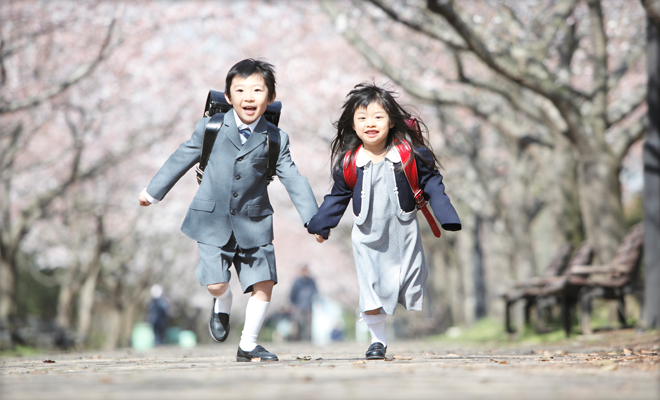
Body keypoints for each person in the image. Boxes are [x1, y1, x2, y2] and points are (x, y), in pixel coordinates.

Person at [138, 59, 318, 362]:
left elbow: (293, 178)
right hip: (211, 220)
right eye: (240, 90)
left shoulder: (276, 138)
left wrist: (314, 219)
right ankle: (223, 301)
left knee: (264, 281)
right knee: (216, 283)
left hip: (254, 221)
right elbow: (182, 156)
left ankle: (248, 344)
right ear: (228, 96)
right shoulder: (212, 127)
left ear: (271, 97)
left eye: (257, 90)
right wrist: (153, 192)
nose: (249, 97)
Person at [307, 82, 461, 360]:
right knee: (371, 286)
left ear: (391, 121)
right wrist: (321, 225)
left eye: (378, 117)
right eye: (362, 118)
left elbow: (433, 183)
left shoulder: (408, 154)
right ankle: (377, 341)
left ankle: (391, 322)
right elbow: (337, 196)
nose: (370, 124)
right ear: (352, 125)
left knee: (410, 279)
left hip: (403, 230)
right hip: (366, 234)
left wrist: (446, 215)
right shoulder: (349, 162)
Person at [289, 265, 318, 341]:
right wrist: (293, 304)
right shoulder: (297, 282)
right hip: (298, 306)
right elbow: (292, 293)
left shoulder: (311, 281)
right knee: (297, 323)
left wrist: (315, 301)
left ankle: (309, 339)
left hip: (308, 305)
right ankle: (297, 339)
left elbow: (315, 292)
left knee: (308, 324)